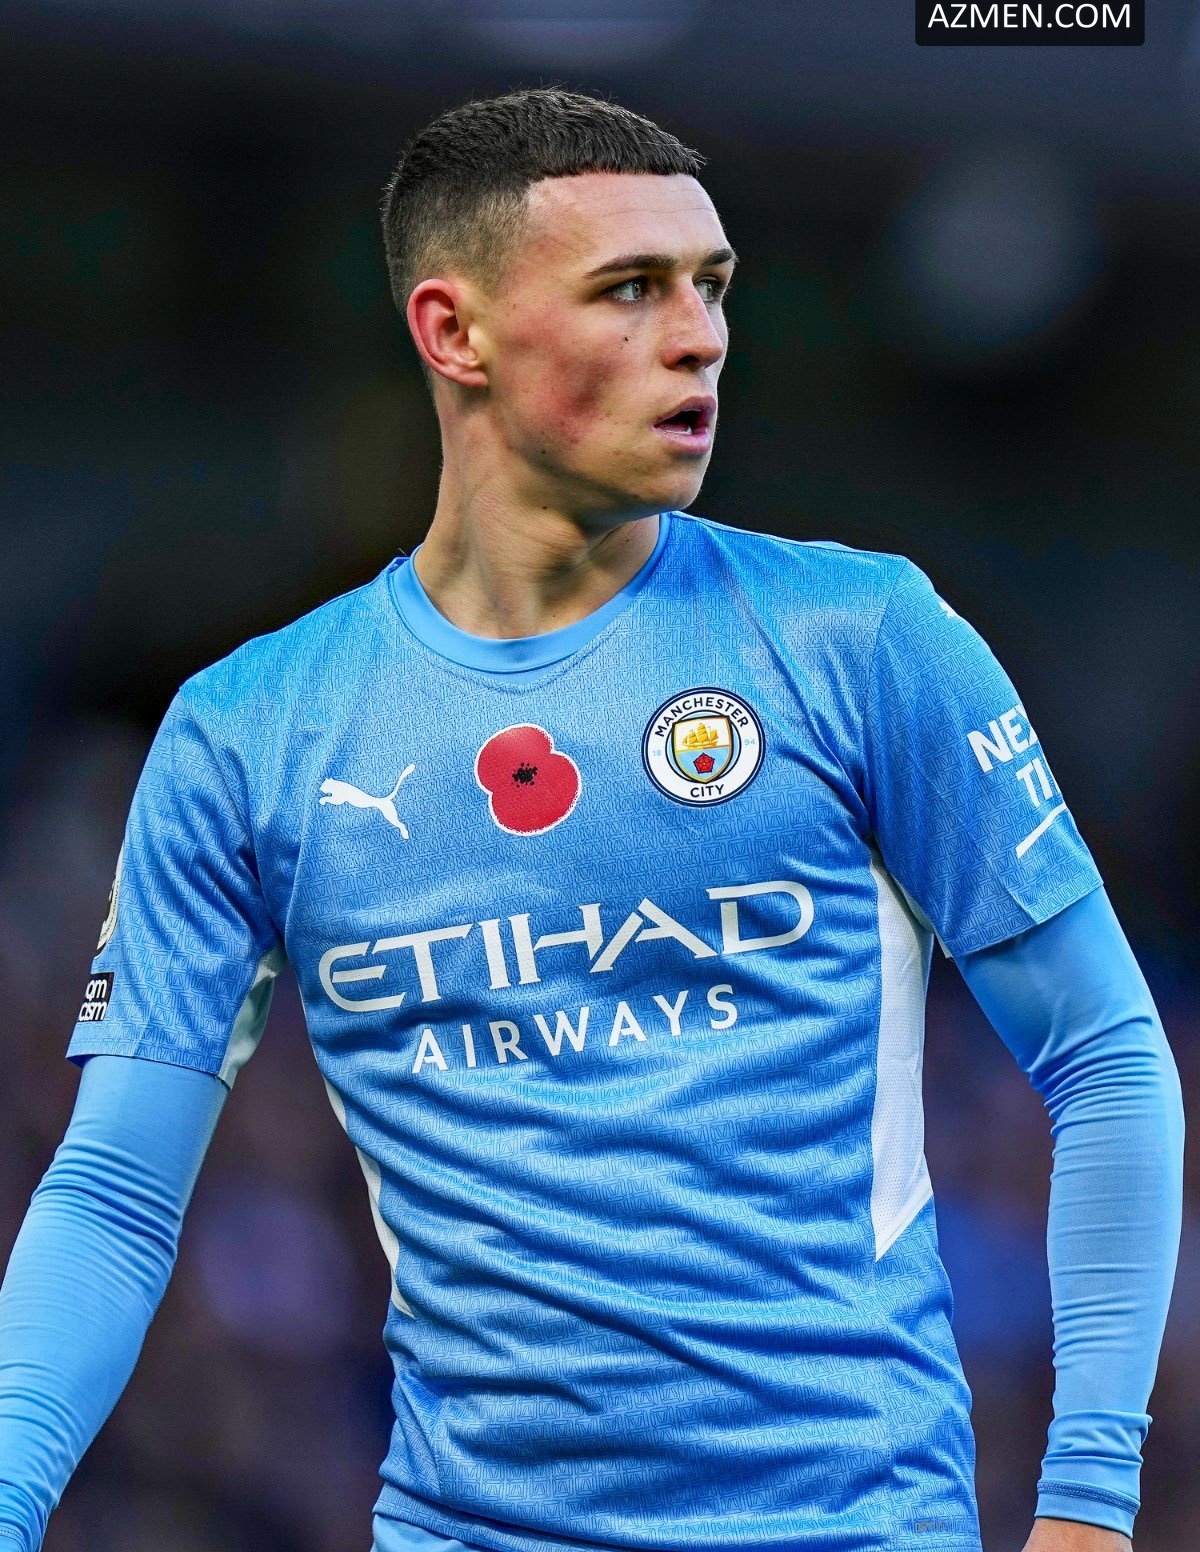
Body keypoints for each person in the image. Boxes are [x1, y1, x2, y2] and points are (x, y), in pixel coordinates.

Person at [0, 89, 1183, 1552]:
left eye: (712, 287)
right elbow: (116, 1189)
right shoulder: (250, 732)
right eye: (632, 289)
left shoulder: (862, 639)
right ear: (456, 333)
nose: (700, 338)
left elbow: (1106, 1058)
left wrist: (1089, 1501)